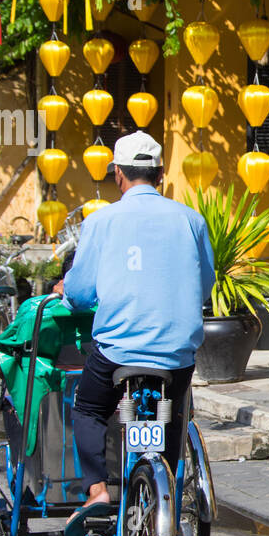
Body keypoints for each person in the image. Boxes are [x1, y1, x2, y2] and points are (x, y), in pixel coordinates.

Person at [59, 131, 215, 511]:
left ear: (118, 175)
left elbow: (78, 295)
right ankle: (170, 492)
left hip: (117, 351)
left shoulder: (101, 221)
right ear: (160, 175)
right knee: (173, 412)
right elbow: (205, 284)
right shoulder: (191, 221)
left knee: (90, 408)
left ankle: (97, 489)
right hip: (177, 352)